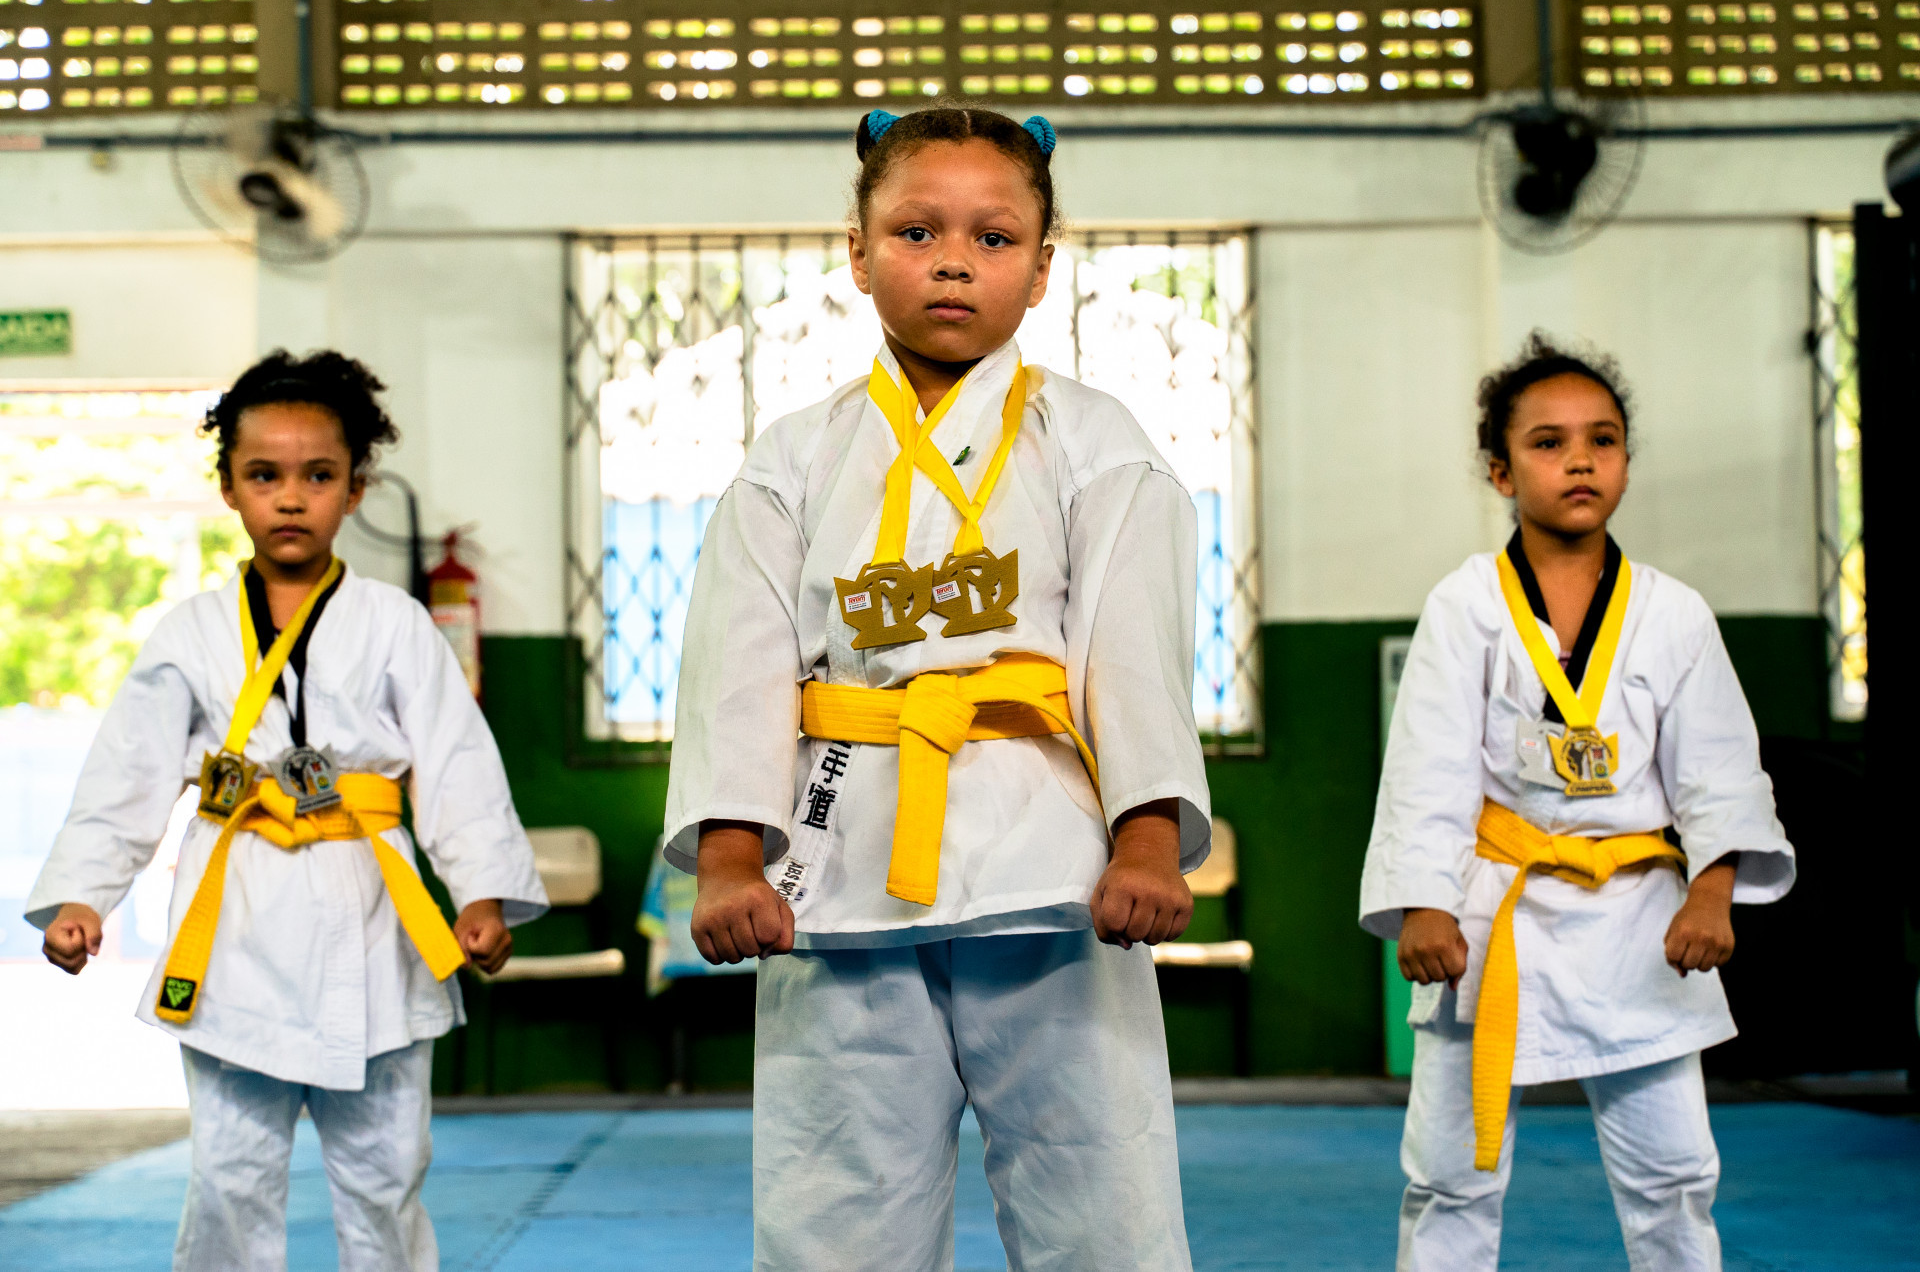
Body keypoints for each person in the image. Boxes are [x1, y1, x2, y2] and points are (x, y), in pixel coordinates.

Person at [664, 106, 1211, 1272]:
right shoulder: (795, 456)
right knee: (832, 1218)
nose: (954, 260)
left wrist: (1150, 839)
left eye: (994, 238)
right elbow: (739, 670)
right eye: (916, 231)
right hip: (842, 869)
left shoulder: (1095, 438)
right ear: (856, 254)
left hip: (1052, 870)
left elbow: (1136, 656)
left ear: (1044, 269)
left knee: (1104, 1199)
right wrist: (726, 859)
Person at [27, 350, 548, 1272]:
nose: (292, 498)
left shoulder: (396, 623)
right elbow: (128, 775)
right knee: (229, 1179)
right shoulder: (188, 631)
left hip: (370, 913)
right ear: (228, 487)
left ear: (355, 488)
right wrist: (82, 896)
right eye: (264, 475)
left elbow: (457, 763)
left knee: (386, 1178)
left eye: (318, 475)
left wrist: (482, 893)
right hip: (238, 918)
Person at [1360, 332, 1797, 1271]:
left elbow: (1719, 768)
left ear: (1627, 462)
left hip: (1639, 922)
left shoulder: (1674, 612)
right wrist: (1426, 902)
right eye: (1548, 442)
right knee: (1448, 1176)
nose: (1580, 459)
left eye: (1602, 439)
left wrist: (1713, 890)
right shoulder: (1465, 605)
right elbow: (1427, 766)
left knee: (1676, 1179)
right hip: (1493, 917)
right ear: (1500, 470)